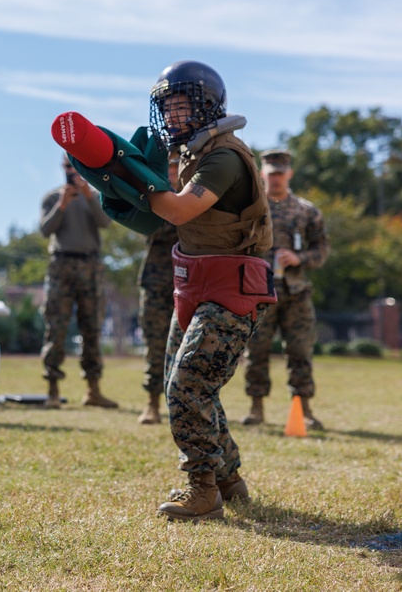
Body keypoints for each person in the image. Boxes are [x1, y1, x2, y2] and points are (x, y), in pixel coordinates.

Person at [141, 61, 276, 521]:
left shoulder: (223, 156)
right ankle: (228, 479)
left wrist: (129, 177)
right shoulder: (193, 155)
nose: (174, 116)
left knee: (189, 385)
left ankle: (202, 490)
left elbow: (178, 211)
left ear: (208, 105)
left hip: (230, 290)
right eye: (168, 107)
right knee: (180, 383)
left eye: (182, 105)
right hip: (196, 284)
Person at [242, 149, 330, 429]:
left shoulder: (306, 210)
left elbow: (322, 249)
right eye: (271, 174)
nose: (276, 179)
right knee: (256, 351)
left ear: (289, 174)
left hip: (296, 293)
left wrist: (299, 258)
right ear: (262, 175)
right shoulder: (251, 208)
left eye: (281, 174)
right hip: (258, 293)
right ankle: (256, 408)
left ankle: (303, 409)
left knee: (300, 352)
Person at [38, 156, 116, 410]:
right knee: (56, 328)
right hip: (61, 266)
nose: (72, 172)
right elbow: (45, 230)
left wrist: (88, 195)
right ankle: (52, 390)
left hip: (90, 267)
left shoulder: (95, 195)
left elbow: (105, 222)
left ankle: (93, 390)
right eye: (68, 167)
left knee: (92, 328)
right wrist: (62, 204)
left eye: (76, 167)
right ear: (62, 168)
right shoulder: (52, 197)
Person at [136, 158, 180, 425]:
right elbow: (152, 228)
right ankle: (152, 404)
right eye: (169, 170)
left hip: (188, 281)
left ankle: (183, 407)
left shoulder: (198, 195)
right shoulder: (152, 198)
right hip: (156, 282)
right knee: (154, 346)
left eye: (177, 169)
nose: (173, 174)